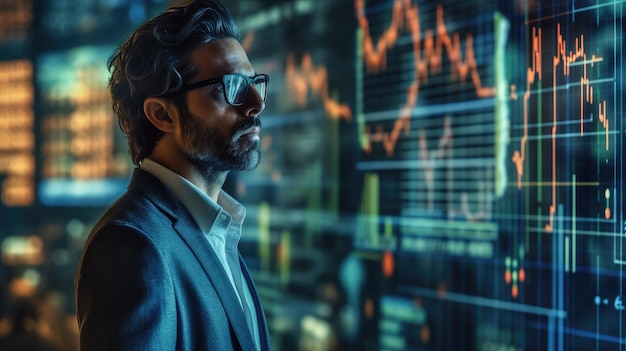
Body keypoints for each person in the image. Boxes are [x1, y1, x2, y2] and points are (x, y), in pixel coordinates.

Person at [74, 0, 271, 350]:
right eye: (232, 86)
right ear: (162, 115)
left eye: (254, 82)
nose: (256, 101)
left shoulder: (217, 231)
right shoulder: (131, 245)